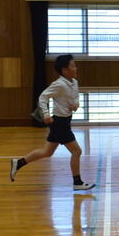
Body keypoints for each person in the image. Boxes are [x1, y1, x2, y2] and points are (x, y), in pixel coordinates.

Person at [10, 54, 95, 190]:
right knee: (77, 151)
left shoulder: (74, 82)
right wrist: (46, 114)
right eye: (73, 66)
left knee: (47, 152)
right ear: (64, 70)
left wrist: (76, 105)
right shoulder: (59, 84)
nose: (76, 68)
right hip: (59, 123)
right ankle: (77, 182)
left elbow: (76, 98)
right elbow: (43, 97)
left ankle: (18, 163)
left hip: (66, 121)